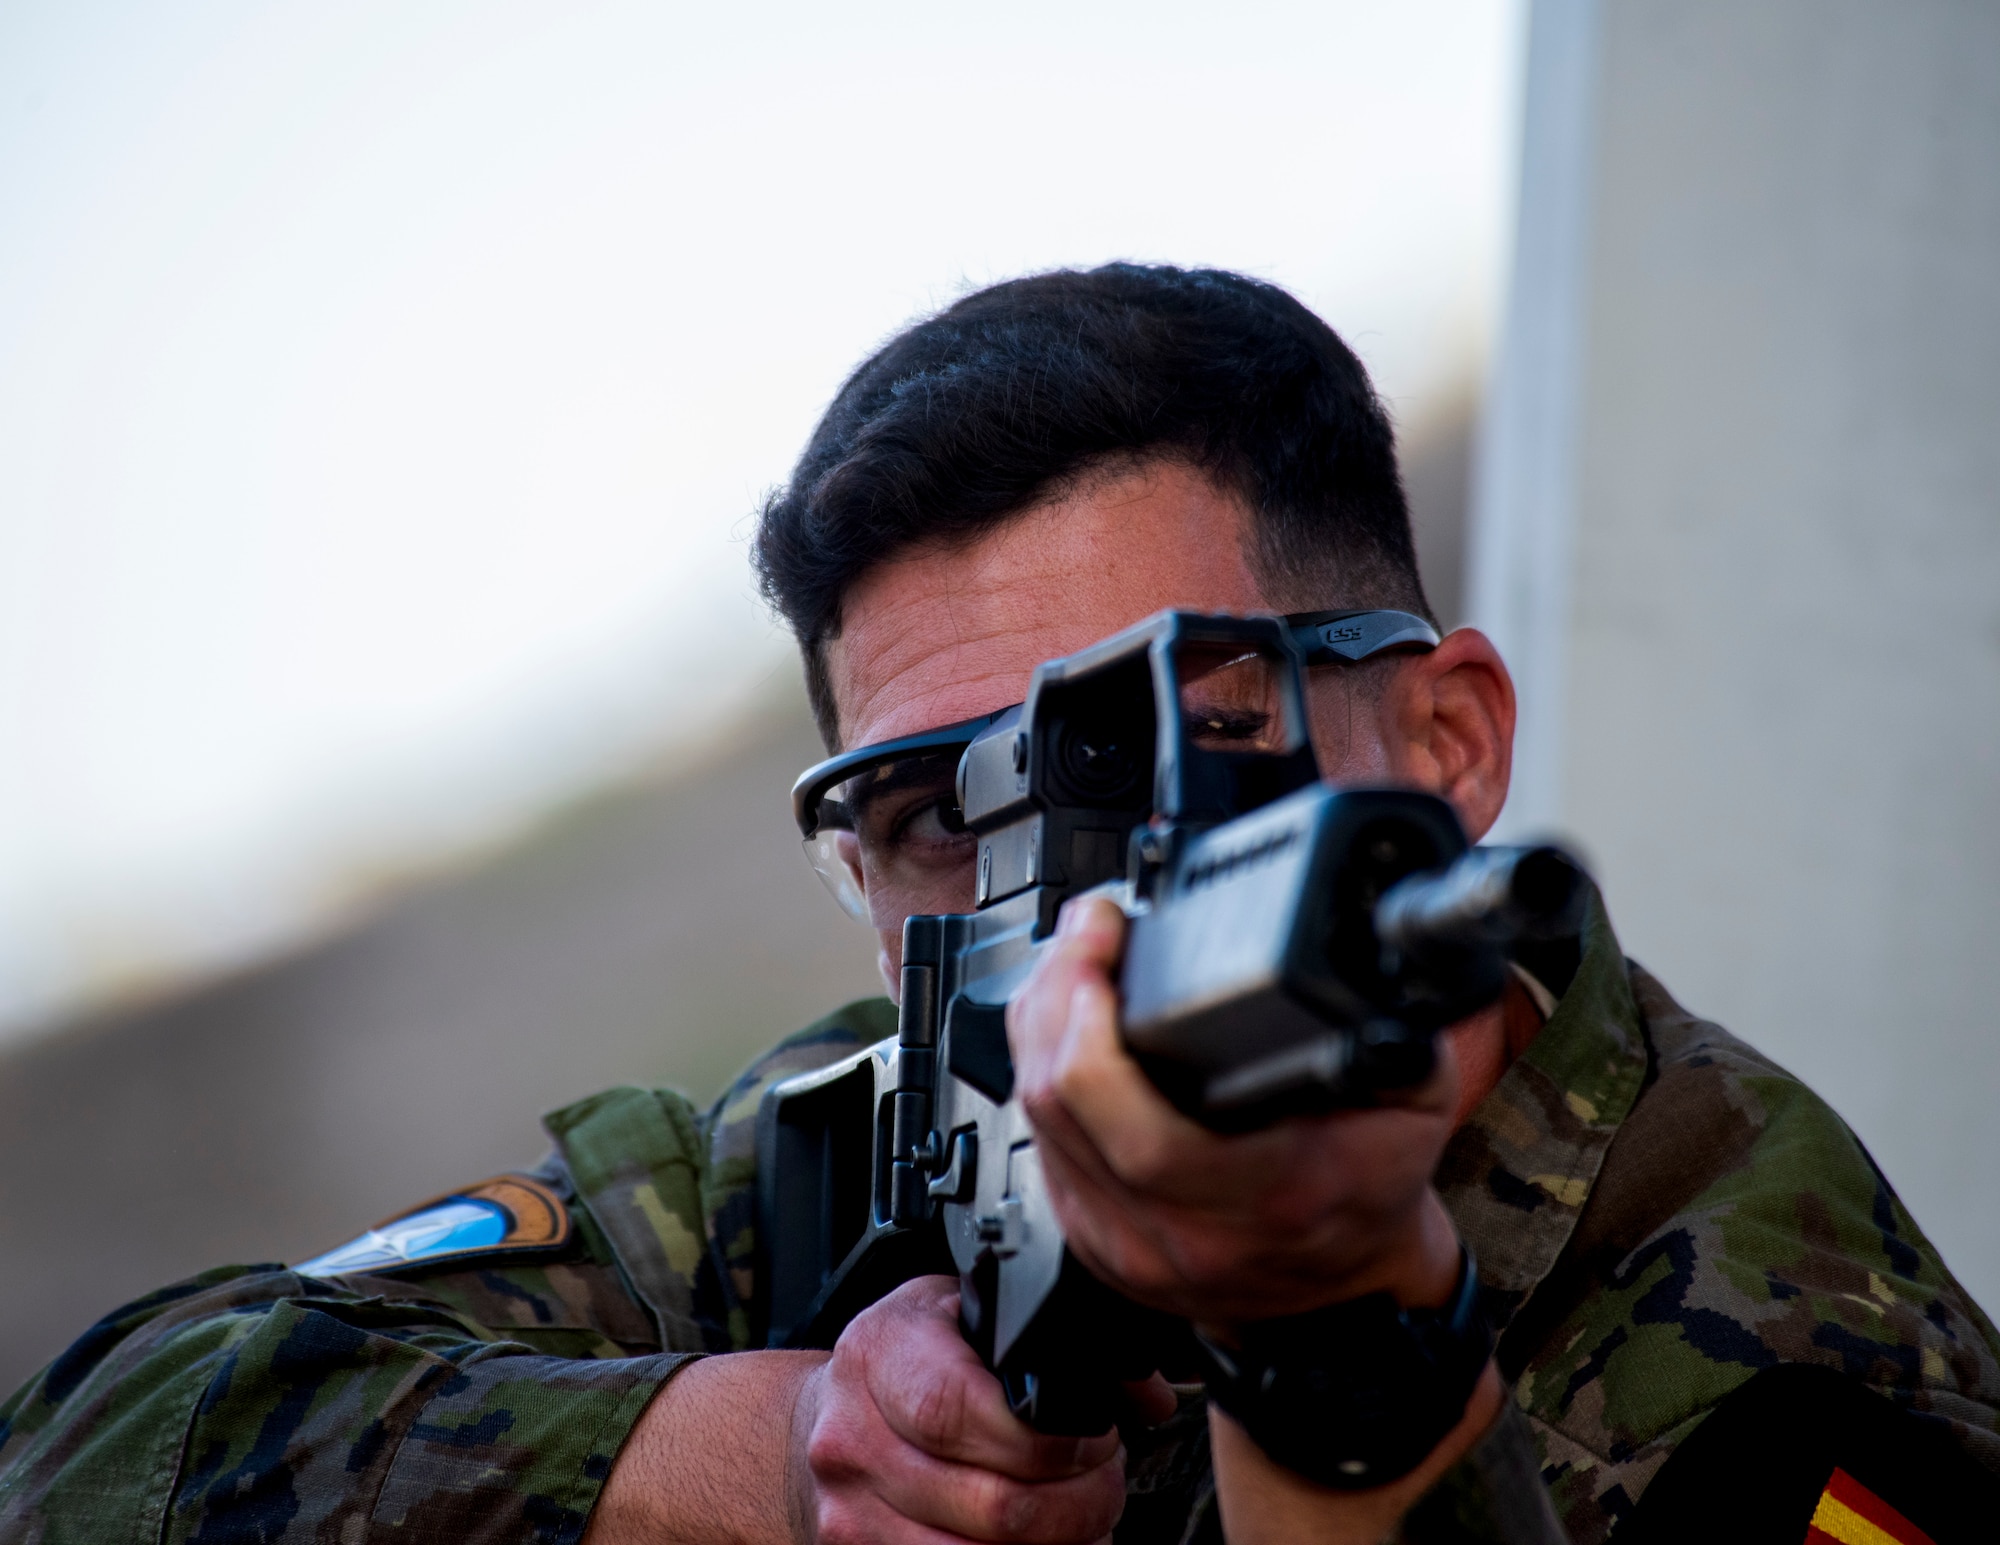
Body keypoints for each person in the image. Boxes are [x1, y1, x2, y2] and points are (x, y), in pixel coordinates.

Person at [2, 265, 1996, 1544]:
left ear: (1448, 739)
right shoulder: (840, 1146)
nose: (1057, 901)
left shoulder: (1768, 1328)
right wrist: (758, 1449)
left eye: (1153, 749)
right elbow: (84, 1450)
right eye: (925, 815)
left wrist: (1341, 1360)